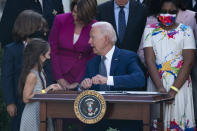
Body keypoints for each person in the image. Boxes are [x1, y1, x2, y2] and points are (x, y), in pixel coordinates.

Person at [80, 21, 145, 131]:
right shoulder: (91, 63)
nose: (89, 42)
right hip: (97, 121)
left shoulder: (128, 57)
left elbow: (139, 79)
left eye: (92, 37)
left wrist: (108, 80)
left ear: (106, 39)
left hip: (125, 119)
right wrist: (83, 86)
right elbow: (84, 90)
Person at [143, 0, 196, 130]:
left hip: (180, 86)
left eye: (172, 12)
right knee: (157, 123)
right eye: (163, 11)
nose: (167, 15)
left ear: (177, 11)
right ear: (157, 12)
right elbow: (149, 60)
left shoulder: (186, 30)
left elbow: (188, 62)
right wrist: (160, 88)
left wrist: (173, 91)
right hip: (156, 85)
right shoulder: (149, 30)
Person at [1, 10, 48, 131]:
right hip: (19, 101)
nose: (43, 31)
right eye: (39, 27)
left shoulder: (41, 46)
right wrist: (10, 102)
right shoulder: (11, 50)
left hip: (39, 102)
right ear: (30, 27)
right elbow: (7, 77)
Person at [49, 0, 97, 90]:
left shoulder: (95, 26)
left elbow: (93, 56)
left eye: (80, 13)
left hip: (81, 76)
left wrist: (79, 81)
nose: (75, 15)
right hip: (56, 72)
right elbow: (53, 49)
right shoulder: (60, 19)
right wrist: (59, 77)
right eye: (74, 11)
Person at [19, 38, 61, 131]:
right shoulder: (32, 75)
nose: (49, 57)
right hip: (32, 114)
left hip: (41, 110)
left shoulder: (40, 71)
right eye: (48, 54)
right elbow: (26, 98)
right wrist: (46, 90)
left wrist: (51, 89)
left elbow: (40, 92)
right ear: (40, 56)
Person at [138, 0, 197, 64]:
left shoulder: (192, 17)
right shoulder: (150, 20)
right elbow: (142, 51)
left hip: (185, 69)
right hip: (156, 69)